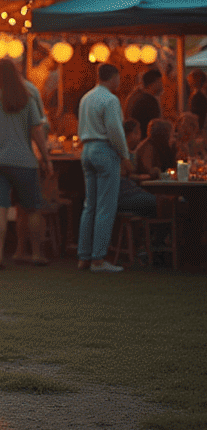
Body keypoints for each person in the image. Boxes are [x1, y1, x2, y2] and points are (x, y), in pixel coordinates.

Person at [0, 58, 52, 269]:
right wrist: (46, 158)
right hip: (25, 162)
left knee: (0, 208)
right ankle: (36, 254)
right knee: (33, 209)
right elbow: (37, 132)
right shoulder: (26, 98)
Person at [77, 63, 133, 273]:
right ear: (114, 76)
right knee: (105, 206)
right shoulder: (110, 99)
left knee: (89, 205)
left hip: (87, 149)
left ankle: (84, 256)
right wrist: (125, 155)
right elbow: (115, 130)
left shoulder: (86, 98)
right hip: (104, 150)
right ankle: (98, 259)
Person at [116, 119, 158, 218]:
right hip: (122, 195)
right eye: (137, 132)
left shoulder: (128, 152)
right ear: (130, 134)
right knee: (158, 202)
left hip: (127, 192)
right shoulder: (121, 152)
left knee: (158, 202)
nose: (139, 137)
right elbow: (128, 174)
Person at [124, 67, 164, 139]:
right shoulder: (150, 102)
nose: (162, 86)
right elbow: (157, 128)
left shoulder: (135, 97)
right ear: (154, 83)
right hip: (145, 140)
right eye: (160, 82)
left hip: (135, 140)